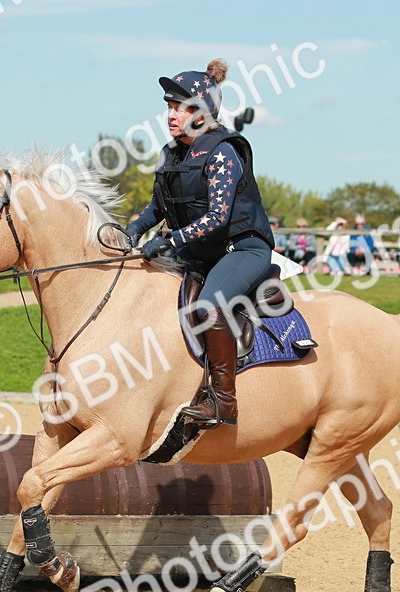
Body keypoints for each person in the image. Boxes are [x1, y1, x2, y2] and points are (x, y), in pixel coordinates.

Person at [124, 58, 276, 428]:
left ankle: (223, 401)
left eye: (181, 107)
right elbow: (158, 206)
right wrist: (133, 229)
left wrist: (168, 241)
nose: (171, 115)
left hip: (242, 249)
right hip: (198, 252)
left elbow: (217, 217)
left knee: (210, 306)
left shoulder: (224, 151)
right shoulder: (171, 153)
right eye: (170, 107)